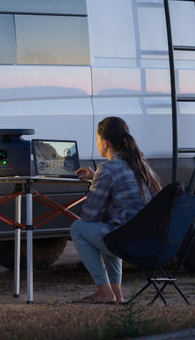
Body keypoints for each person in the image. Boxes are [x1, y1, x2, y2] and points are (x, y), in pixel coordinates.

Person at [70, 116, 161, 305]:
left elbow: (88, 216)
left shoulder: (108, 168)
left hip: (129, 243)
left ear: (105, 142)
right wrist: (97, 178)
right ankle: (116, 295)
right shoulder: (142, 165)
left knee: (78, 228)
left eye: (96, 139)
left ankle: (104, 292)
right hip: (151, 240)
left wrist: (97, 182)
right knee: (114, 227)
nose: (97, 143)